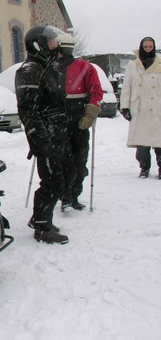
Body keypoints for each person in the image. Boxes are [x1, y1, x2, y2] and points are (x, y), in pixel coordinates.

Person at [15, 25, 75, 245]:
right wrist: (40, 139)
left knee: (69, 173)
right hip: (46, 135)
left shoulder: (48, 67)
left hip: (59, 133)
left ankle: (39, 217)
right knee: (52, 181)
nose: (55, 45)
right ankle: (42, 226)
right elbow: (27, 109)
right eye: (51, 41)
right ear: (38, 44)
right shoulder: (29, 70)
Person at [56, 33, 103, 211]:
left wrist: (90, 114)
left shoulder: (84, 67)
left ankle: (72, 195)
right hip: (59, 116)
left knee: (78, 158)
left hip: (77, 117)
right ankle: (66, 195)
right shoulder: (50, 67)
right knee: (66, 158)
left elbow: (95, 91)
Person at [119, 36, 161, 179]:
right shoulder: (133, 65)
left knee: (159, 142)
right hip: (140, 108)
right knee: (142, 144)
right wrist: (125, 107)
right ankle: (144, 167)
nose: (148, 49)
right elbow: (127, 87)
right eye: (145, 47)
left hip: (157, 108)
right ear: (141, 47)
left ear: (154, 47)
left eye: (150, 47)